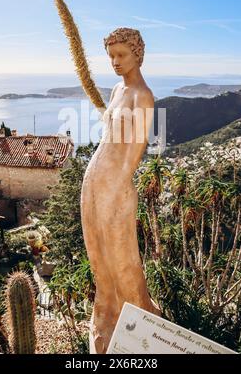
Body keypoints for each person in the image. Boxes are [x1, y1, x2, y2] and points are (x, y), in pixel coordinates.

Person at [81, 27, 160, 354]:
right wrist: (95, 184)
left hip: (116, 190)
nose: (114, 62)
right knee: (98, 257)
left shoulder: (143, 96)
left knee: (122, 259)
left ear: (137, 54)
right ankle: (106, 315)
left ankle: (137, 322)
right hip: (95, 183)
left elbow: (132, 154)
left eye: (121, 55)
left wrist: (112, 190)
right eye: (111, 56)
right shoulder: (116, 89)